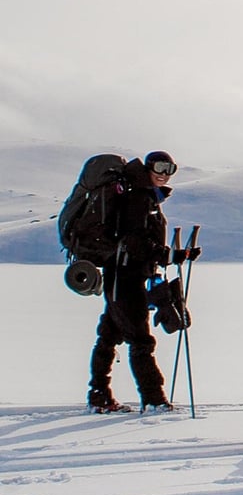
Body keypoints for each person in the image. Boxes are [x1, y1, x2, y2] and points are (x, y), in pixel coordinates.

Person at [86, 151, 179, 414]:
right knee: (141, 341)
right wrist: (168, 255)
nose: (164, 174)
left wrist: (167, 256)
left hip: (124, 276)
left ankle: (99, 395)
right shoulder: (138, 197)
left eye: (170, 169)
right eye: (160, 167)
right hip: (127, 278)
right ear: (148, 167)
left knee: (109, 336)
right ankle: (154, 400)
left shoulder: (143, 195)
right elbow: (136, 241)